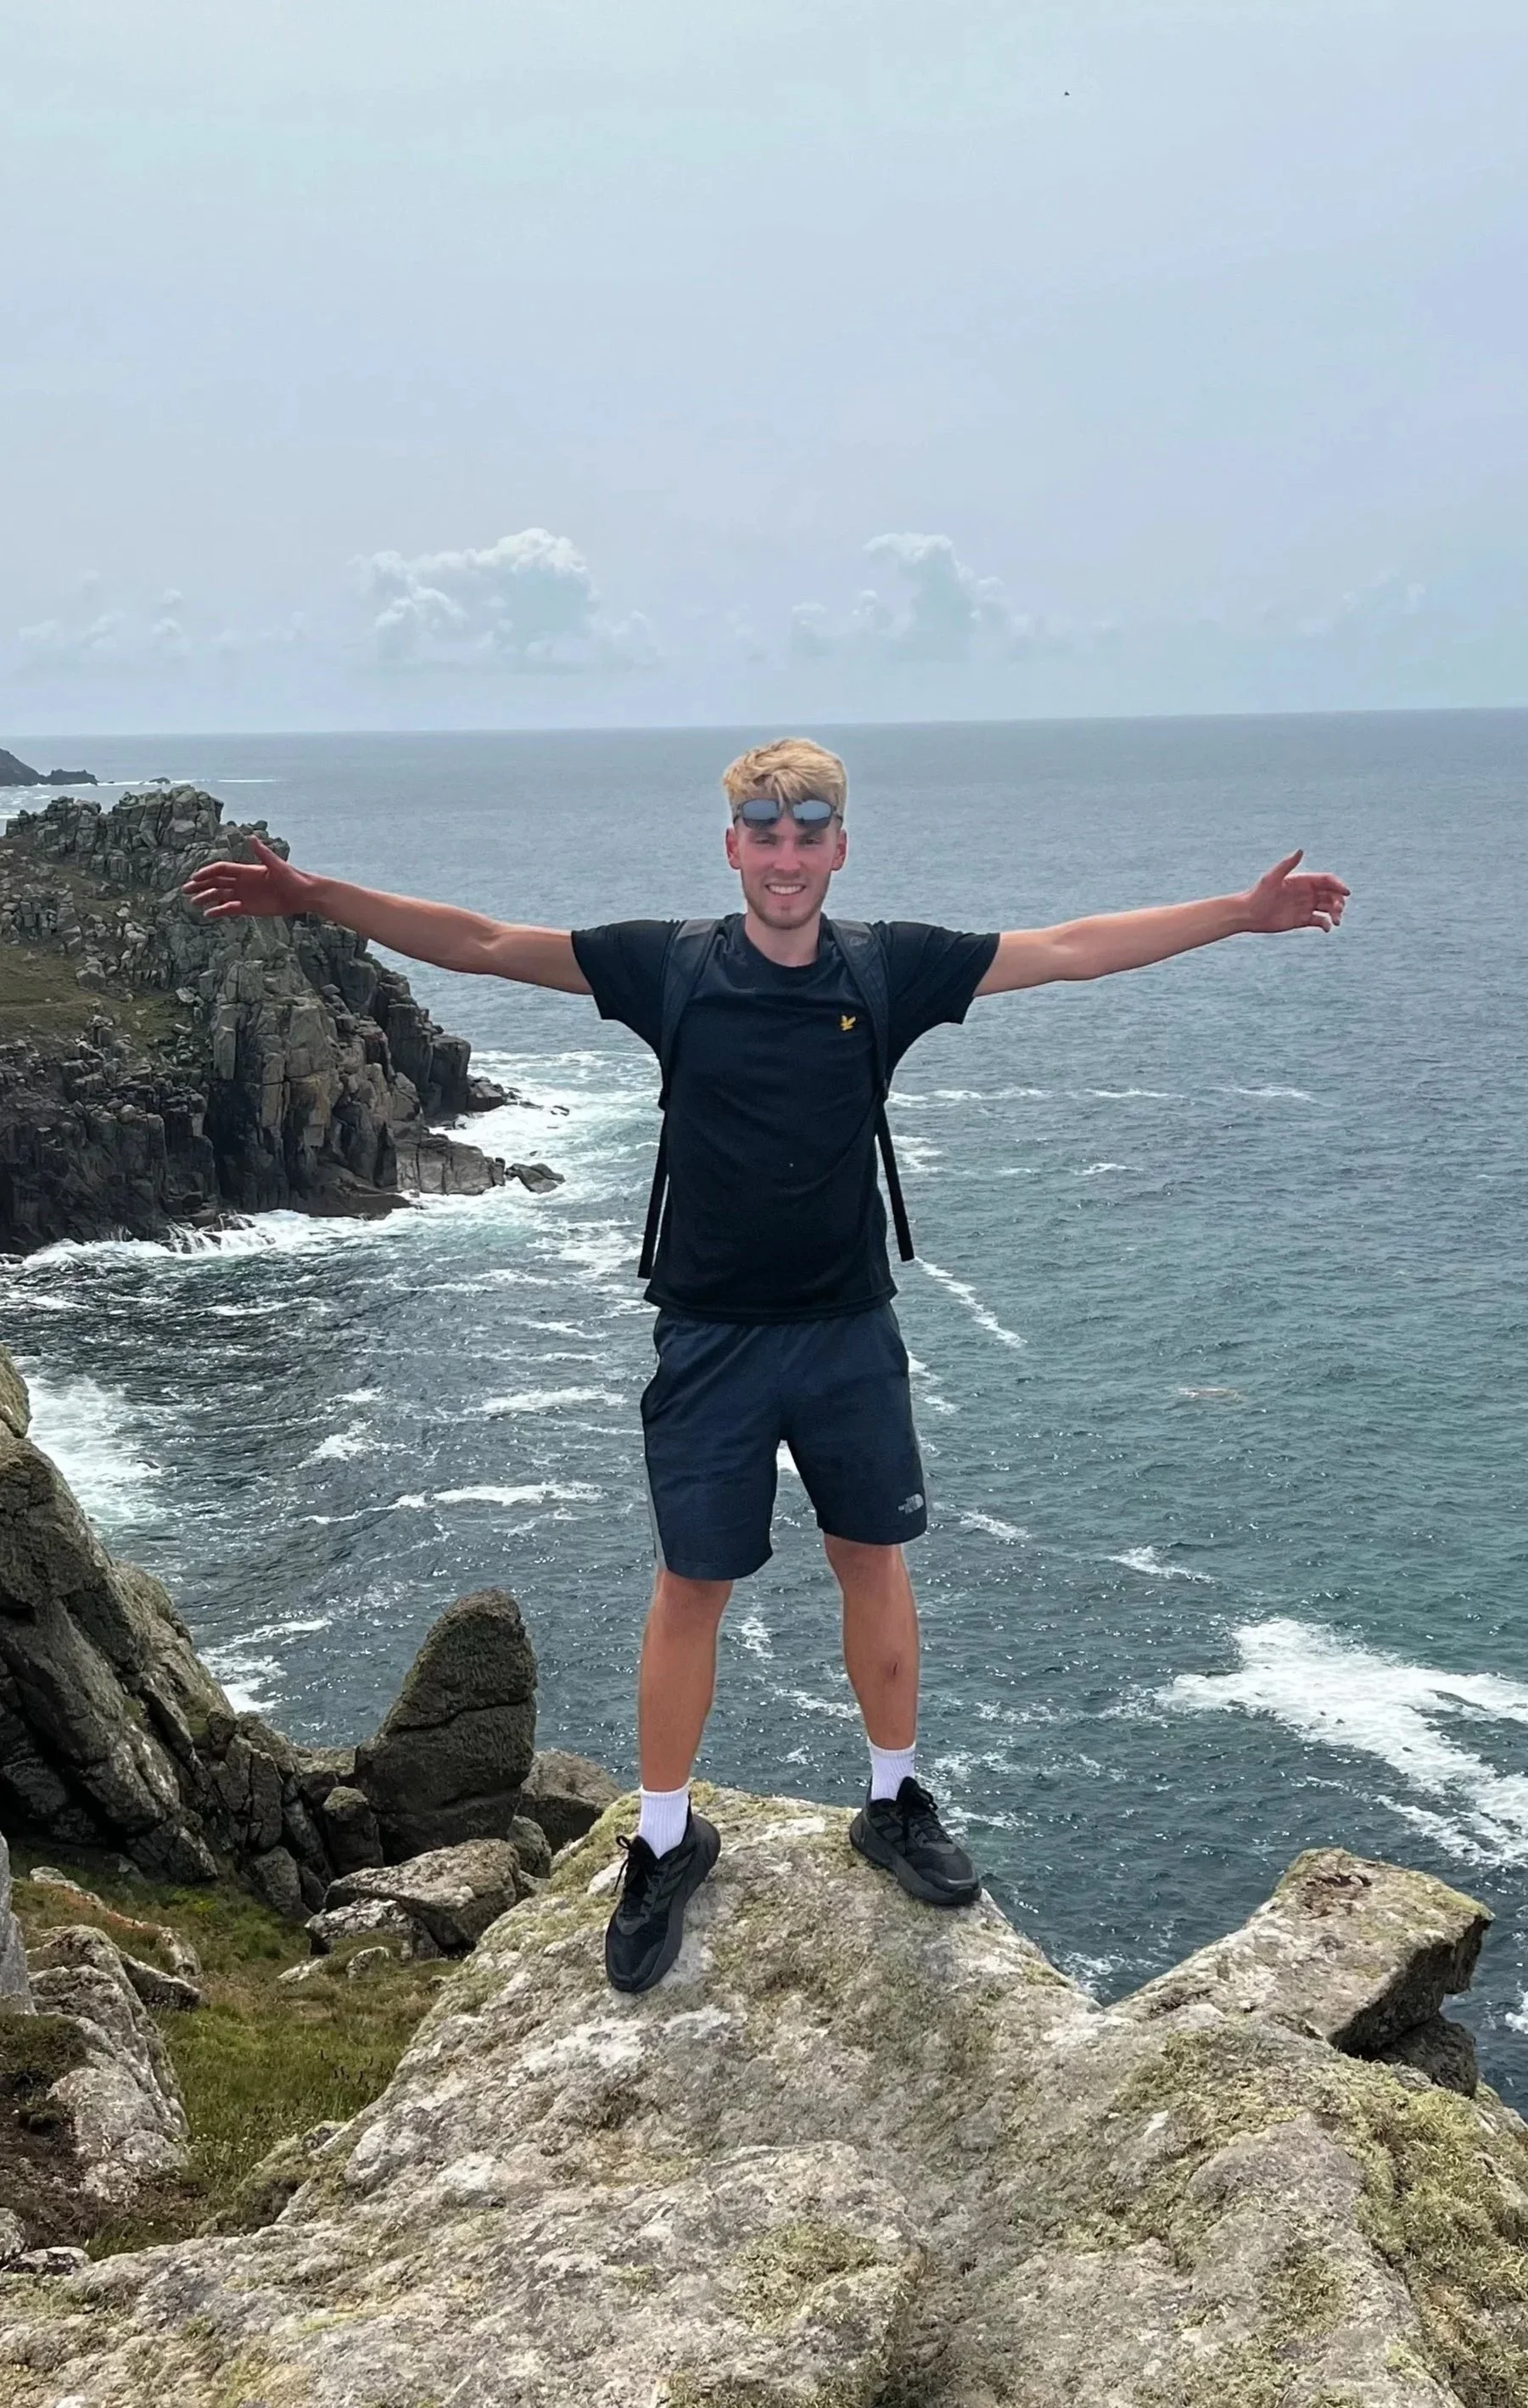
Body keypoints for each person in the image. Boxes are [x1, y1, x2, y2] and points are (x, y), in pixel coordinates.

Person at [183, 737, 1349, 1994]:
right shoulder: (666, 964)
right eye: (763, 828)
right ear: (731, 844)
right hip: (709, 1337)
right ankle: (665, 1838)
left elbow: (1066, 947)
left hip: (848, 1328)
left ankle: (891, 1800)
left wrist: (1237, 914)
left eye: (808, 830)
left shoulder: (885, 966)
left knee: (872, 1559)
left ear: (838, 847)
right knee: (691, 1586)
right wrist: (318, 898)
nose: (786, 852)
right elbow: (480, 941)